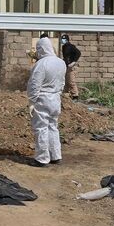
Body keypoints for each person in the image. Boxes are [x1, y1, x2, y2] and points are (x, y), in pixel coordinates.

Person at [27, 37, 66, 167]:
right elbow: (62, 82)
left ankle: (42, 158)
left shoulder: (41, 64)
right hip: (56, 98)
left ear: (41, 49)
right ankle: (56, 155)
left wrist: (32, 101)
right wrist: (58, 93)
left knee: (41, 128)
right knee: (53, 127)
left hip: (43, 99)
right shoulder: (61, 62)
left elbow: (34, 84)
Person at [60, 34, 81, 100]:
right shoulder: (64, 47)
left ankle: (75, 95)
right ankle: (66, 95)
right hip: (66, 66)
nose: (62, 41)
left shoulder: (71, 46)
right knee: (66, 81)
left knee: (71, 81)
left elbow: (78, 53)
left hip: (72, 67)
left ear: (67, 40)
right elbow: (65, 57)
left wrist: (73, 62)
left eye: (64, 39)